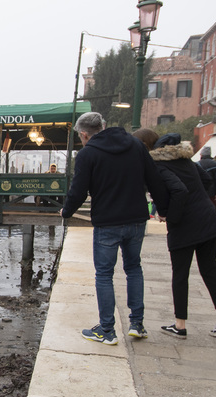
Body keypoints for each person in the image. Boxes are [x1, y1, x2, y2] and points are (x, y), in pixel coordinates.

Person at [61, 112, 169, 345]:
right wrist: (163, 209)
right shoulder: (135, 145)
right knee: (133, 268)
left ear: (83, 134)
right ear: (104, 126)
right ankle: (137, 324)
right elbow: (154, 178)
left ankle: (107, 330)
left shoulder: (87, 154)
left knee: (104, 275)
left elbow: (78, 190)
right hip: (137, 219)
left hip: (107, 222)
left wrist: (66, 211)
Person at [150, 133, 216, 338]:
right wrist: (199, 202)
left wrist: (170, 216)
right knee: (210, 271)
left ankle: (180, 325)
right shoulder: (190, 163)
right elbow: (207, 182)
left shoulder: (161, 167)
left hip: (185, 225)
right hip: (207, 219)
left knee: (180, 274)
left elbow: (179, 191)